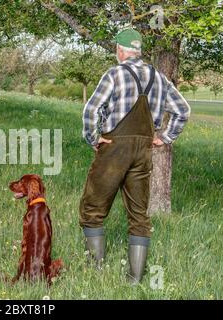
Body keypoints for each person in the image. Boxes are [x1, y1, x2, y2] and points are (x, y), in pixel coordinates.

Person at [80, 28, 190, 283]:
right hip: (143, 151)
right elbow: (183, 110)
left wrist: (93, 138)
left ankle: (95, 273)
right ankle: (135, 280)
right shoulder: (160, 78)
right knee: (139, 214)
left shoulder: (115, 74)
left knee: (93, 208)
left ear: (120, 50)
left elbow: (91, 109)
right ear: (138, 51)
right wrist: (163, 137)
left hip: (114, 149)